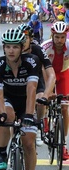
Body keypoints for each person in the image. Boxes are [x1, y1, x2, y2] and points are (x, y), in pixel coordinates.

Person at [0, 28, 41, 170]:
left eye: (15, 47)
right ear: (3, 48)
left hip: (26, 101)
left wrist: (28, 115)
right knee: (8, 116)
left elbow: (32, 89)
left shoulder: (32, 62)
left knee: (28, 143)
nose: (11, 51)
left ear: (21, 48)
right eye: (8, 47)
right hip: (8, 98)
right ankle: (2, 154)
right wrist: (1, 114)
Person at [17, 23, 56, 147]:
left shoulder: (38, 50)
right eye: (20, 37)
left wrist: (46, 93)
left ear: (31, 39)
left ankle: (39, 125)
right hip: (19, 81)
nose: (22, 41)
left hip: (37, 79)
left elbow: (48, 72)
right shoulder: (13, 48)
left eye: (26, 37)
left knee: (39, 100)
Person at [41, 21, 69, 159]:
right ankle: (45, 118)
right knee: (47, 97)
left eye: (62, 37)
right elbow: (41, 68)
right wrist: (48, 90)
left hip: (64, 73)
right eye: (57, 37)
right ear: (52, 35)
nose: (59, 40)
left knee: (64, 107)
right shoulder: (45, 47)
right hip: (48, 72)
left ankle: (63, 144)